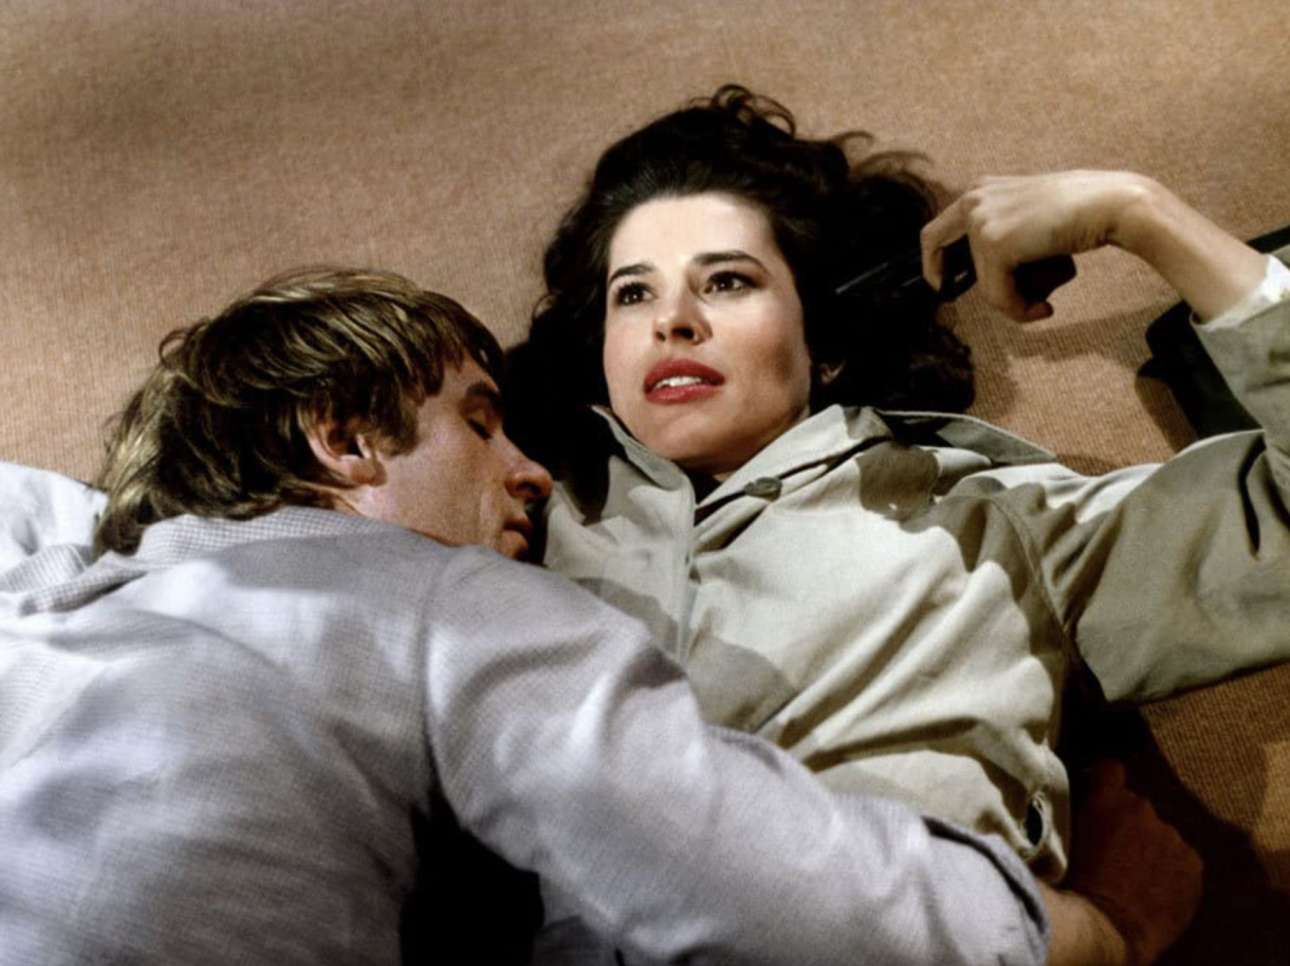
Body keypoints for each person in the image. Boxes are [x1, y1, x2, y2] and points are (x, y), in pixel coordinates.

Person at [0, 265, 1148, 966]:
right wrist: (1097, 929)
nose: (532, 473)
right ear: (343, 439)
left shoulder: (44, 591)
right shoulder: (437, 604)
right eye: (477, 422)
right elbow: (755, 883)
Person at [508, 85, 1290, 958]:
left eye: (727, 281)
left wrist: (1140, 213)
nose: (672, 321)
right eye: (632, 295)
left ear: (827, 347)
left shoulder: (984, 527)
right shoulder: (521, 517)